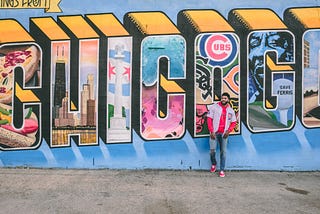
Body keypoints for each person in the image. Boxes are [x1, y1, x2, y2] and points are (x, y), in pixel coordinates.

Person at [207, 92, 237, 177]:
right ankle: (214, 164)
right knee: (212, 150)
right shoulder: (214, 107)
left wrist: (228, 131)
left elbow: (233, 122)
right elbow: (209, 119)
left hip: (224, 134)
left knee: (223, 152)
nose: (223, 99)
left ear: (228, 100)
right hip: (214, 133)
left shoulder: (230, 110)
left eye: (225, 98)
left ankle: (222, 170)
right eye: (222, 98)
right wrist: (211, 131)